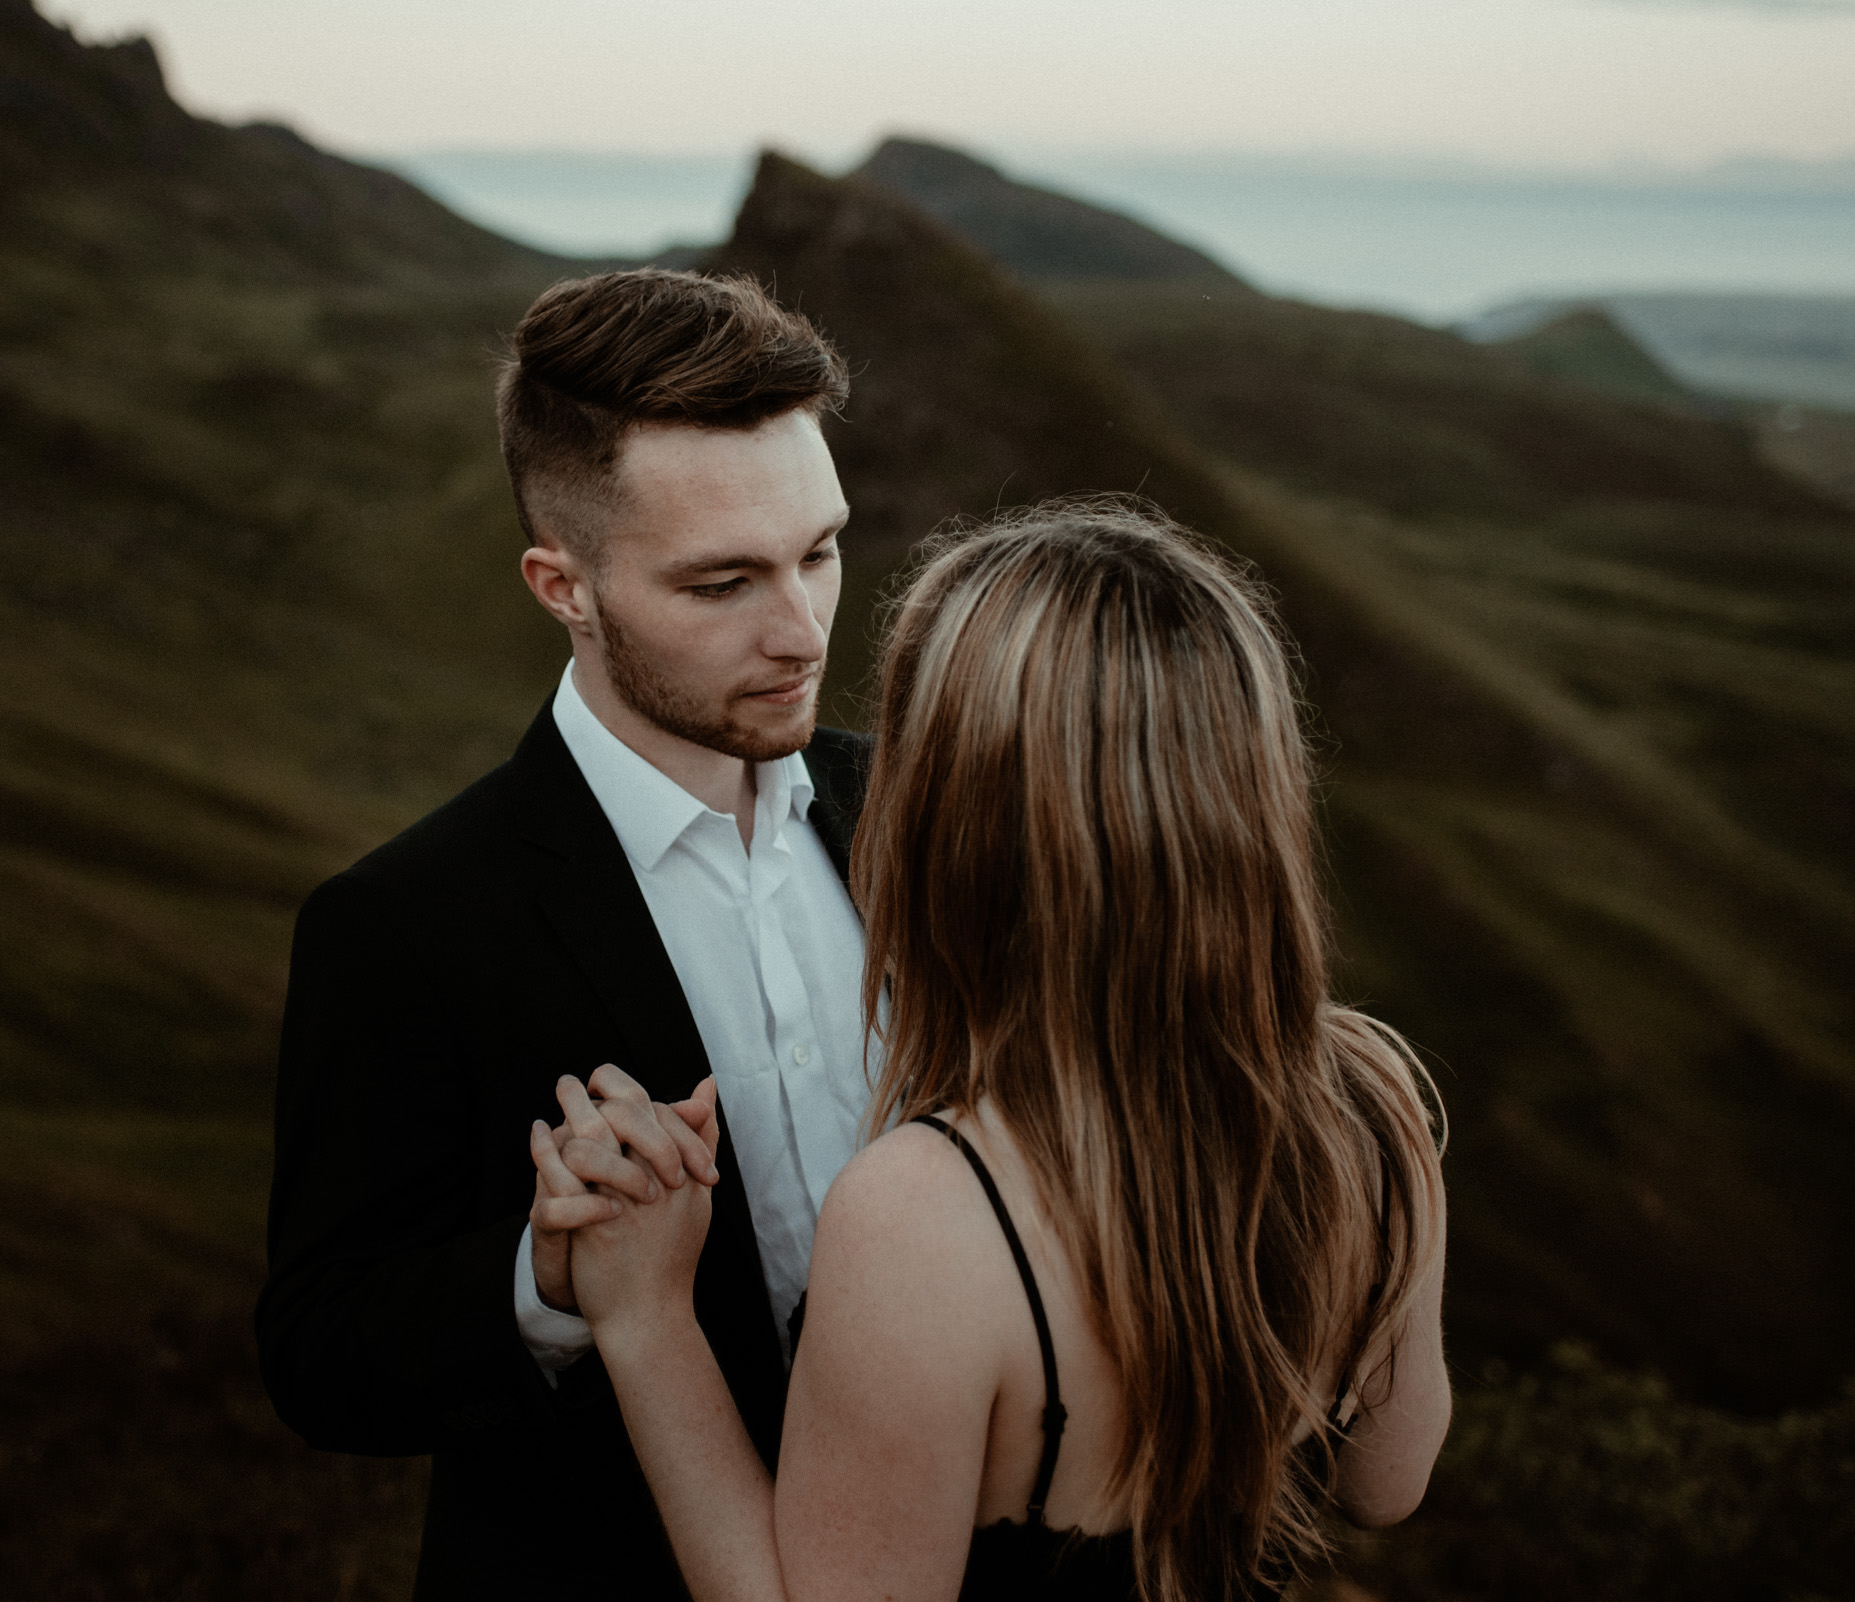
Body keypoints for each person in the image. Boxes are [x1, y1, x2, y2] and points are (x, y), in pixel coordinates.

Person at [531, 502, 1452, 1602]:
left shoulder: (926, 1212)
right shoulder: (1375, 1098)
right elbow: (1388, 1480)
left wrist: (646, 1321)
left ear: (951, 818)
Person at [255, 269, 882, 1601]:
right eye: (720, 583)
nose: (801, 629)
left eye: (819, 550)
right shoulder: (405, 924)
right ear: (563, 584)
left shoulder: (935, 815)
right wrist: (550, 1269)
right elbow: (320, 1352)